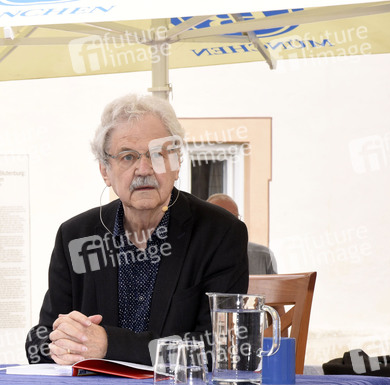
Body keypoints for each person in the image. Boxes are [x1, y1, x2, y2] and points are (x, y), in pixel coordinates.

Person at [26, 93, 249, 366]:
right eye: (128, 156)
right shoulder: (77, 236)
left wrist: (110, 345)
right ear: (105, 171)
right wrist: (60, 344)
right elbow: (42, 338)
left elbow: (221, 349)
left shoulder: (220, 233)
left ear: (177, 163)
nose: (144, 169)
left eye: (158, 154)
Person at [207, 193, 278, 275]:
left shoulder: (263, 255)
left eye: (234, 217)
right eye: (221, 218)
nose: (230, 224)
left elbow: (275, 283)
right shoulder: (196, 257)